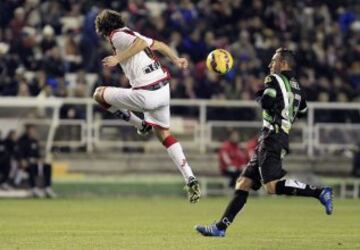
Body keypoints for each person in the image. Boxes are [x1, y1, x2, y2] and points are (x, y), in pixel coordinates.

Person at [195, 48, 333, 237]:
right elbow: (303, 112)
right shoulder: (297, 87)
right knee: (243, 182)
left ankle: (320, 192)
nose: (270, 65)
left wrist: (259, 96)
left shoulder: (273, 79)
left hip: (272, 138)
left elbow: (266, 102)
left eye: (273, 61)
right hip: (275, 137)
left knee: (272, 187)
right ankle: (220, 227)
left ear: (283, 63)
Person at [93, 9, 200, 203]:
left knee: (99, 94)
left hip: (146, 94)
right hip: (163, 90)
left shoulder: (117, 36)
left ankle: (139, 125)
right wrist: (176, 59)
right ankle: (190, 177)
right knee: (164, 135)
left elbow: (140, 44)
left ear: (103, 30)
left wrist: (117, 58)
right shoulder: (130, 32)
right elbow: (158, 45)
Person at [17, 125, 56, 198]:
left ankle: (47, 187)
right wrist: (22, 160)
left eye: (32, 130)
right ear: (27, 130)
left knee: (47, 166)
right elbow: (19, 153)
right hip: (26, 162)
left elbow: (37, 154)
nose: (31, 131)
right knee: (31, 166)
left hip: (36, 162)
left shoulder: (34, 141)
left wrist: (41, 158)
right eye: (30, 129)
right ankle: (33, 188)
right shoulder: (21, 140)